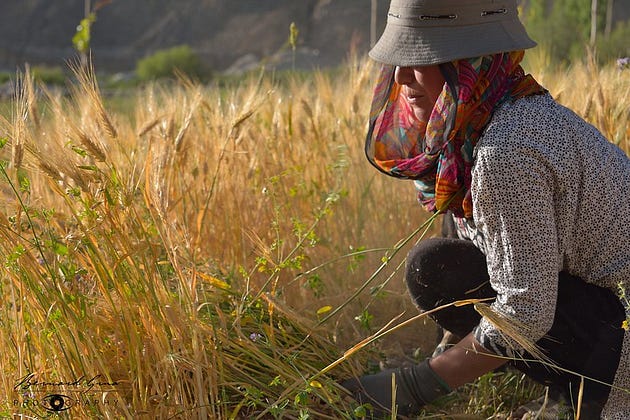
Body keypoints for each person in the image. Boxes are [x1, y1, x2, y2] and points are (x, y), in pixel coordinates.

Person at [341, 0, 630, 418]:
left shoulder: (505, 151)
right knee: (438, 265)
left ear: (467, 65)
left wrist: (416, 386)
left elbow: (526, 312)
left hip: (621, 324)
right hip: (593, 302)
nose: (401, 77)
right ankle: (567, 385)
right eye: (399, 61)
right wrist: (448, 350)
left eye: (420, 59)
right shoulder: (481, 125)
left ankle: (589, 390)